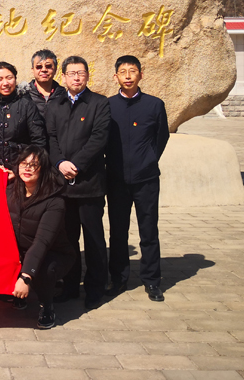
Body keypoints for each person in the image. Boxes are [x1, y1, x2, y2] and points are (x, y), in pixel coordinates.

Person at [46, 55, 111, 310]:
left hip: (89, 184)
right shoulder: (55, 104)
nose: (76, 77)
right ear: (63, 77)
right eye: (71, 73)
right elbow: (50, 138)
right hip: (62, 184)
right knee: (68, 239)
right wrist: (60, 162)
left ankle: (95, 289)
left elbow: (98, 139)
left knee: (94, 239)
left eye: (81, 73)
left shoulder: (99, 103)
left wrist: (76, 165)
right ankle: (70, 286)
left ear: (87, 75)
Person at [105, 55, 170, 302]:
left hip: (146, 179)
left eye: (132, 71)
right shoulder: (108, 106)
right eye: (123, 72)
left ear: (141, 74)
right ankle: (118, 278)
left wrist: (149, 159)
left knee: (149, 231)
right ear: (116, 77)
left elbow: (161, 137)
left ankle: (152, 280)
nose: (128, 76)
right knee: (118, 232)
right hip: (117, 179)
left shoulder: (154, 105)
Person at [8, 146, 75, 330]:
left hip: (53, 254)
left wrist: (26, 276)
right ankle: (17, 293)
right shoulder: (10, 192)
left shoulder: (55, 202)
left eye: (34, 165)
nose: (27, 168)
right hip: (22, 250)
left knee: (44, 270)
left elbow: (42, 243)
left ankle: (47, 306)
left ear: (44, 168)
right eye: (24, 163)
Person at [0, 61, 46, 177]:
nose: (5, 83)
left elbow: (39, 140)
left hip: (21, 173)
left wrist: (19, 170)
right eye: (0, 79)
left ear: (15, 79)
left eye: (9, 78)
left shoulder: (26, 104)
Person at [25, 49, 65, 118]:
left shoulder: (63, 95)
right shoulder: (25, 95)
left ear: (55, 69)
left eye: (48, 66)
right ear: (33, 70)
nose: (44, 70)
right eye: (39, 67)